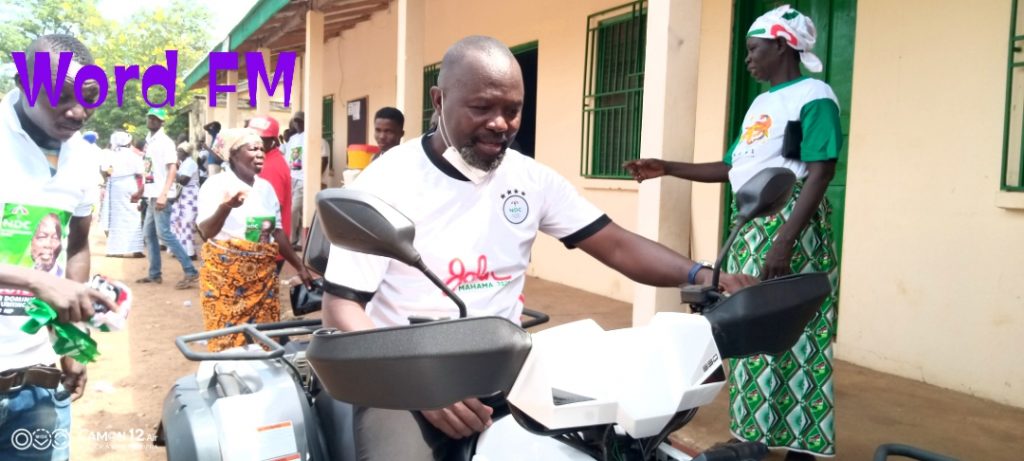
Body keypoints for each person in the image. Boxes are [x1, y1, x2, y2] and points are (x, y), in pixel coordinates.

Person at [320, 35, 758, 461]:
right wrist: (418, 384)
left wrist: (702, 274)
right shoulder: (387, 182)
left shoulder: (531, 179)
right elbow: (340, 306)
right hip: (407, 379)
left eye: (512, 110)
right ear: (438, 100)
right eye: (481, 108)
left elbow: (617, 244)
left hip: (508, 370)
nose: (500, 123)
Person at [623, 7, 841, 460]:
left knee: (795, 330)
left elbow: (821, 170)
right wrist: (667, 167)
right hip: (752, 222)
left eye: (754, 49)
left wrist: (784, 241)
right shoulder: (761, 105)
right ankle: (751, 435)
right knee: (748, 328)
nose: (748, 59)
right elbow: (732, 168)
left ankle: (802, 446)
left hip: (790, 224)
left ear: (781, 45)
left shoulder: (814, 95)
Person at [0, 34, 117, 460]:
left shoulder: (82, 158)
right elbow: (45, 280)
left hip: (38, 385)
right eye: (61, 97)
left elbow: (78, 247)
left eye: (88, 98)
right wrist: (34, 281)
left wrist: (72, 342)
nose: (78, 112)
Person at [195, 128, 313, 351]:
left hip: (262, 279)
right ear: (233, 154)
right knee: (228, 341)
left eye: (261, 149)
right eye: (252, 149)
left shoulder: (265, 188)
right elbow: (206, 232)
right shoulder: (215, 185)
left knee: (264, 340)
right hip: (226, 280)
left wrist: (299, 266)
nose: (260, 154)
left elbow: (277, 232)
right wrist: (226, 207)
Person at [137, 108, 199, 289]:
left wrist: (164, 194)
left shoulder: (165, 142)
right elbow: (150, 170)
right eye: (150, 118)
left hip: (161, 195)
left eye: (156, 119)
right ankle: (154, 274)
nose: (152, 121)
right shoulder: (149, 141)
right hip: (152, 194)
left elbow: (172, 168)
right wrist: (141, 190)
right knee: (148, 234)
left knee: (164, 233)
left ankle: (190, 271)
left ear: (162, 122)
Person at [250, 115, 293, 273]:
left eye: (261, 139)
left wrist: (252, 249)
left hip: (266, 249)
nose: (254, 143)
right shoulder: (264, 160)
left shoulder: (271, 167)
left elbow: (268, 216)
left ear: (273, 140)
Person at [282, 111, 329, 246]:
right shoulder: (293, 139)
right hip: (292, 178)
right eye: (295, 121)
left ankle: (292, 239)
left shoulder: (317, 139)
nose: (297, 124)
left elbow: (324, 160)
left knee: (294, 209)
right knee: (300, 212)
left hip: (305, 181)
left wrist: (315, 180)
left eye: (300, 121)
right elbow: (287, 157)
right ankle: (298, 240)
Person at [100, 131, 145, 257]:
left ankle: (117, 250)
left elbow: (105, 170)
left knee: (117, 218)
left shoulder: (110, 155)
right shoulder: (134, 155)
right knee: (134, 214)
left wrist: (109, 175)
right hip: (131, 184)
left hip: (116, 186)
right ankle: (136, 249)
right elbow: (141, 172)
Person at [171, 142, 200, 259]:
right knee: (178, 222)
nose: (177, 153)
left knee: (187, 222)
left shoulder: (190, 163)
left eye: (179, 151)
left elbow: (184, 180)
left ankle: (190, 253)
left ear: (186, 153)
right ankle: (181, 250)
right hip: (183, 195)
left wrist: (173, 171)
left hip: (190, 195)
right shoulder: (183, 163)